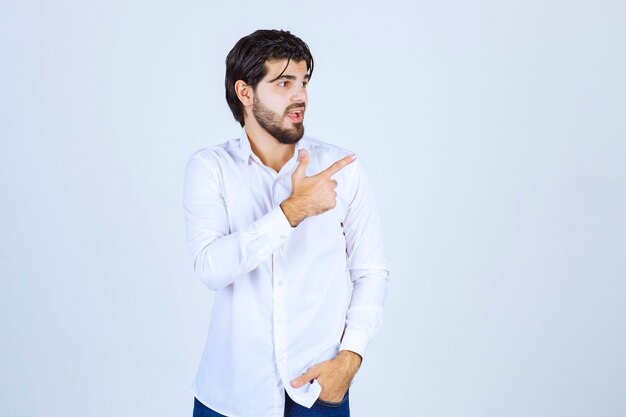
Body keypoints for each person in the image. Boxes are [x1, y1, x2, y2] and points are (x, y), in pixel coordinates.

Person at [183, 29, 389, 417]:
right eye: (283, 83)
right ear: (245, 92)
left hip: (317, 394)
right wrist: (291, 212)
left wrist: (349, 360)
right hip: (229, 397)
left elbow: (371, 272)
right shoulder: (210, 169)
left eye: (304, 82)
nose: (300, 97)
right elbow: (211, 268)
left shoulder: (342, 169)